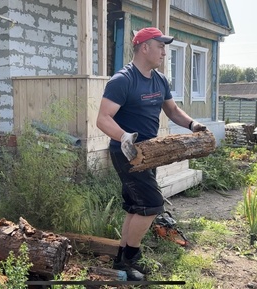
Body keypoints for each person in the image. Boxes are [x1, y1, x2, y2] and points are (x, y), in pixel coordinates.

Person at [96, 27, 207, 280]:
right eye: (161, 46)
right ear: (144, 47)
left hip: (152, 152)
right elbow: (103, 119)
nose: (165, 53)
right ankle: (132, 259)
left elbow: (173, 110)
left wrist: (193, 125)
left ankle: (122, 260)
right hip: (128, 152)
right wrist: (124, 137)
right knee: (152, 204)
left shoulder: (160, 80)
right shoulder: (123, 80)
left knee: (136, 207)